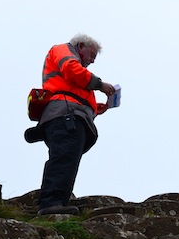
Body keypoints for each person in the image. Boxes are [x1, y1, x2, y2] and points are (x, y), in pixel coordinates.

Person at [24, 34, 116, 216]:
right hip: (65, 115)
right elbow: (71, 70)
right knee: (64, 157)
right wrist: (99, 85)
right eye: (92, 55)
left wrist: (97, 108)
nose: (92, 61)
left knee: (68, 159)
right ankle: (50, 203)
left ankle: (57, 203)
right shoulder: (63, 51)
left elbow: (74, 93)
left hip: (68, 115)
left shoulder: (79, 73)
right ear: (80, 46)